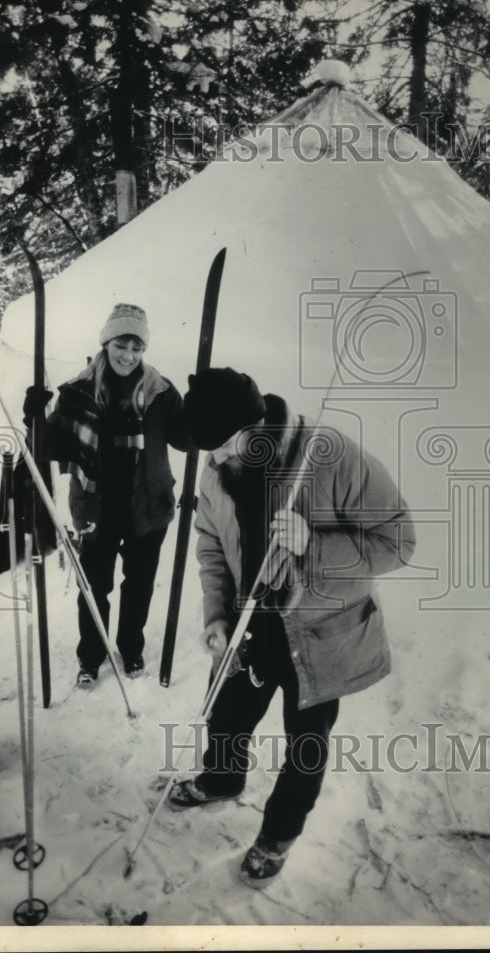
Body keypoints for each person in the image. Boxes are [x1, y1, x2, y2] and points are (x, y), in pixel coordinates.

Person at [169, 367, 415, 887]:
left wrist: (313, 545)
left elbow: (398, 542)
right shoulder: (219, 469)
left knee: (305, 744)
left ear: (254, 428)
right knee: (227, 717)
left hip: (322, 637)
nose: (212, 461)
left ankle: (279, 833)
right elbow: (211, 543)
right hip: (249, 627)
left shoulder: (328, 456)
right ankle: (220, 780)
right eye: (206, 451)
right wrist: (216, 613)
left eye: (221, 447)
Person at [23, 303, 188, 686]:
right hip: (96, 506)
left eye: (137, 348)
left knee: (139, 586)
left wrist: (199, 408)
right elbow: (46, 448)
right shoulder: (78, 393)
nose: (128, 356)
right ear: (106, 342)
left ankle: (131, 648)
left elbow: (187, 439)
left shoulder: (162, 393)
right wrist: (32, 416)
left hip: (147, 508)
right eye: (121, 345)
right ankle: (91, 656)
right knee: (94, 587)